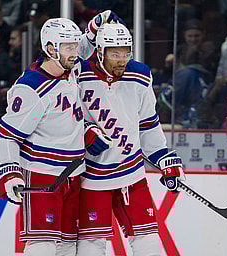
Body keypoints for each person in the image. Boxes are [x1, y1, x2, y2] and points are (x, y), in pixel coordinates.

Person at [0, 13, 121, 256]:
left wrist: (99, 22)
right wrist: (9, 170)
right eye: (68, 46)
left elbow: (84, 45)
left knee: (67, 247)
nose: (75, 51)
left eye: (74, 45)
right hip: (43, 175)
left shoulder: (69, 69)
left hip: (73, 174)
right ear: (51, 48)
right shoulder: (32, 89)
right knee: (43, 246)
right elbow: (5, 134)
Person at [76, 23, 185, 256]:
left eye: (126, 52)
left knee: (149, 240)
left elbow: (147, 123)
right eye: (115, 53)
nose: (122, 59)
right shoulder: (77, 74)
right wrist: (83, 132)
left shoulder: (140, 75)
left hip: (131, 173)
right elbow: (61, 116)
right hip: (91, 176)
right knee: (91, 245)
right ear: (100, 51)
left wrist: (163, 157)